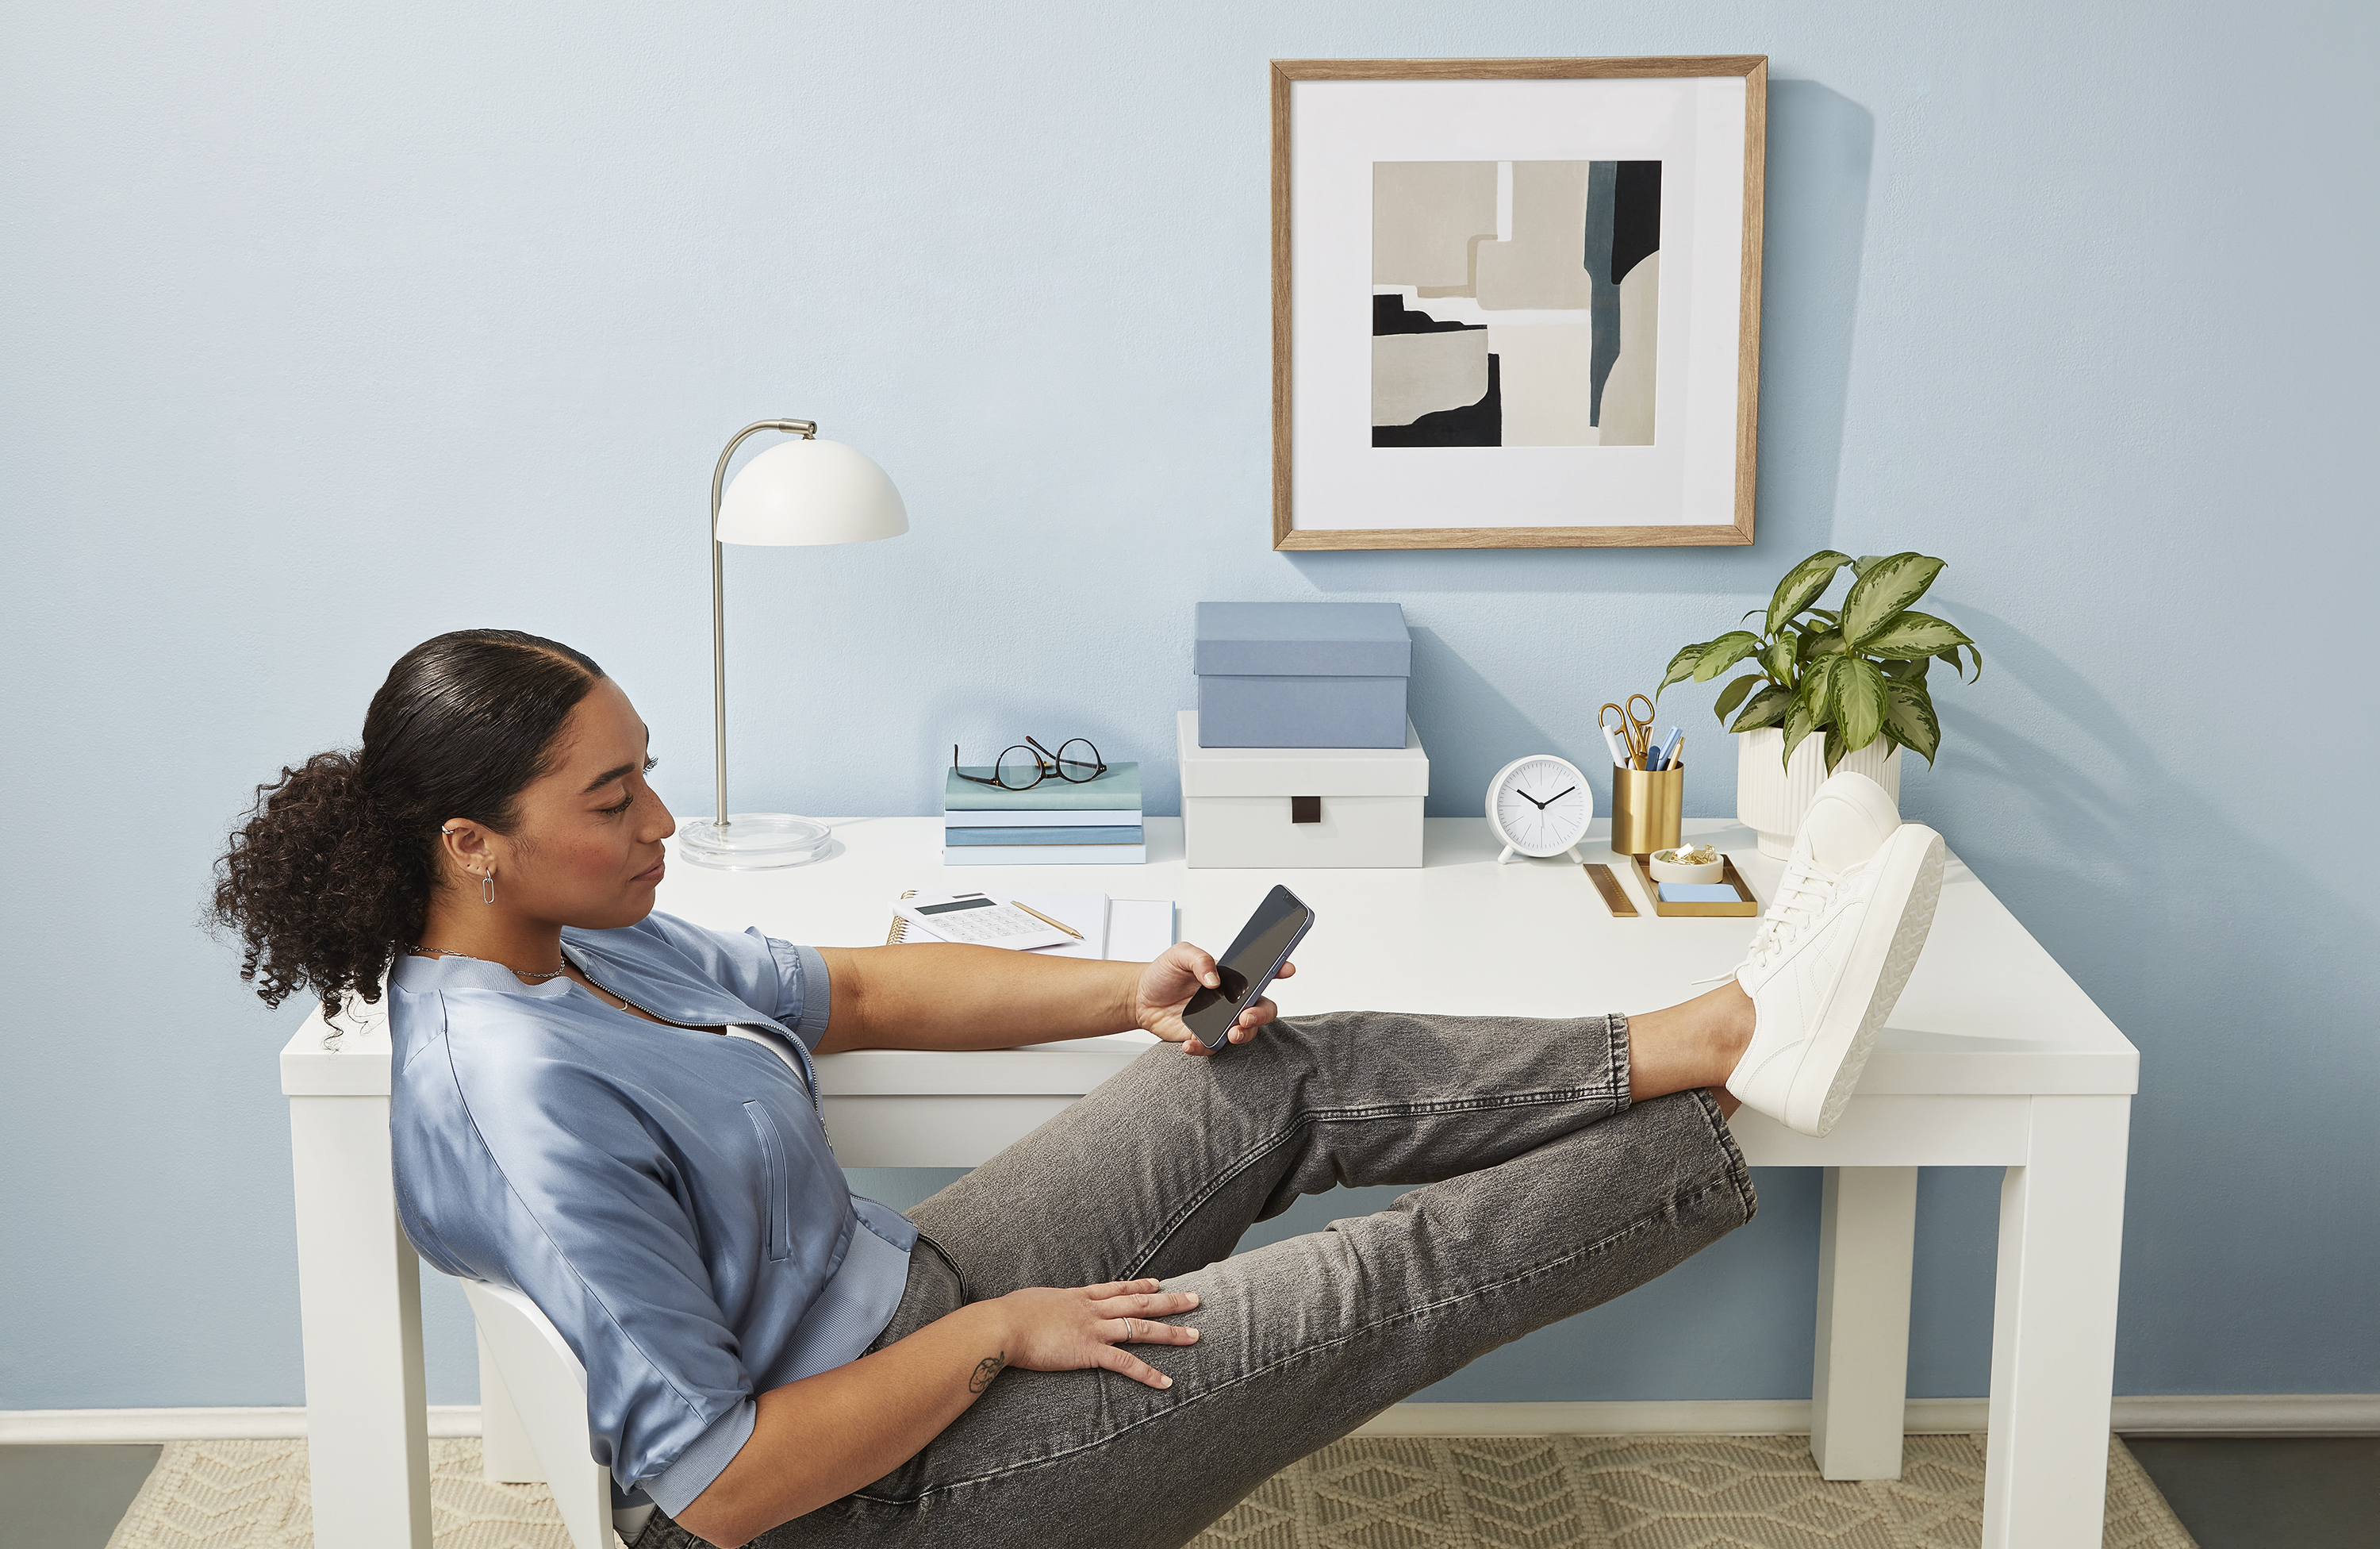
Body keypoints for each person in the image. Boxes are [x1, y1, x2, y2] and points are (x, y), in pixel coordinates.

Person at [211, 628, 1944, 1549]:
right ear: (474, 842)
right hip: (855, 1500)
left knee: (1260, 1074)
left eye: (650, 771)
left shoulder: (585, 938)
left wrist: (1131, 990)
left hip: (904, 1305)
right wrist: (993, 1336)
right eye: (616, 795)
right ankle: (1723, 1117)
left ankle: (1716, 1026)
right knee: (1361, 1287)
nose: (661, 819)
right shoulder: (512, 1094)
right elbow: (724, 1485)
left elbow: (866, 985)